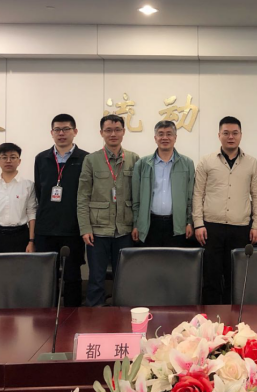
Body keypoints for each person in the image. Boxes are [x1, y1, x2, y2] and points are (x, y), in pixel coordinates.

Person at [193, 116, 257, 305]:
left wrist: (256, 225)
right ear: (219, 135)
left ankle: (234, 317)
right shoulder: (206, 161)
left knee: (236, 277)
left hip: (240, 227)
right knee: (211, 276)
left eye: (234, 133)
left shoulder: (251, 163)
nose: (230, 137)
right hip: (211, 227)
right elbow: (197, 194)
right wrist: (198, 224)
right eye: (226, 133)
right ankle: (210, 316)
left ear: (241, 135)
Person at [77, 114, 140, 307]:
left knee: (125, 277)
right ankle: (95, 316)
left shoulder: (134, 159)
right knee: (96, 278)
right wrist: (85, 228)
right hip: (98, 230)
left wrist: (137, 225)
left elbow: (139, 197)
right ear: (101, 133)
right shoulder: (91, 160)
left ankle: (124, 315)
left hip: (125, 229)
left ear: (123, 132)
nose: (113, 134)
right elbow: (83, 196)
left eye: (117, 130)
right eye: (108, 130)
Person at [34, 114, 89, 307]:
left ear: (75, 132)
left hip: (72, 227)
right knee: (46, 276)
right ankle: (46, 316)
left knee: (72, 275)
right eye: (57, 129)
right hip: (45, 229)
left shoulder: (86, 158)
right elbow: (40, 191)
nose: (61, 133)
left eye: (66, 129)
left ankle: (72, 316)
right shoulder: (41, 158)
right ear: (52, 133)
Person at [132, 120, 195, 247]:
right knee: (151, 259)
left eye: (169, 134)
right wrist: (136, 224)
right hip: (150, 223)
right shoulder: (142, 164)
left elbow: (190, 197)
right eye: (161, 134)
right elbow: (136, 199)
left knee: (174, 259)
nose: (165, 137)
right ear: (155, 138)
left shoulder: (187, 164)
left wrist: (189, 222)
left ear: (175, 137)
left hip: (176, 223)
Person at [0, 143, 37, 254]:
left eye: (13, 157)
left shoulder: (28, 185)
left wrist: (31, 241)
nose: (8, 161)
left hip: (20, 236)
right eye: (4, 157)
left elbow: (31, 214)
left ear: (19, 161)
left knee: (19, 265)